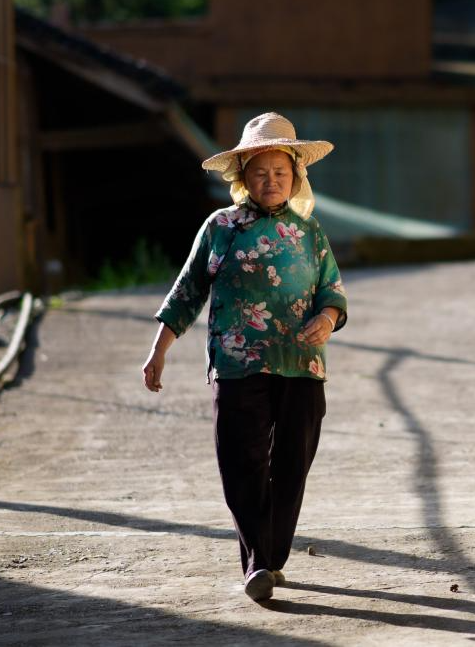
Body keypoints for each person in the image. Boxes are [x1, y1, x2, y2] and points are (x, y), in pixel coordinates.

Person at [141, 112, 348, 602]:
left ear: (296, 176)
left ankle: (270, 557)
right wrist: (159, 351)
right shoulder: (221, 228)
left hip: (302, 365)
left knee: (292, 463)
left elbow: (332, 292)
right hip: (238, 363)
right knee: (242, 460)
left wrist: (328, 318)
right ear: (243, 178)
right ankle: (258, 562)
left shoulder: (310, 232)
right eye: (259, 172)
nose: (270, 180)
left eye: (280, 172)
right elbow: (188, 290)